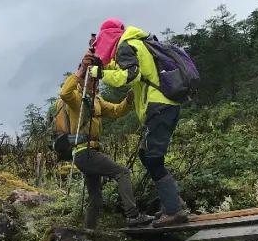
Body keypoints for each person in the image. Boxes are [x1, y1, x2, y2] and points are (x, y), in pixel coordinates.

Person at [86, 18, 189, 227]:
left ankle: (175, 211)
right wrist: (102, 65)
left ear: (108, 36)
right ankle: (173, 202)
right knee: (146, 154)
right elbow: (123, 66)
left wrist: (99, 73)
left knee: (152, 158)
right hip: (163, 104)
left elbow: (130, 75)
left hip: (159, 105)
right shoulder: (134, 42)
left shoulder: (126, 45)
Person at [56, 53, 154, 229]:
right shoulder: (76, 99)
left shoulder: (97, 100)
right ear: (83, 81)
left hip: (89, 152)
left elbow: (116, 111)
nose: (96, 82)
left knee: (96, 198)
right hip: (84, 152)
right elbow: (64, 93)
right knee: (123, 173)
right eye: (92, 79)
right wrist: (81, 70)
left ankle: (88, 231)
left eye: (95, 79)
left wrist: (129, 99)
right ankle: (132, 216)